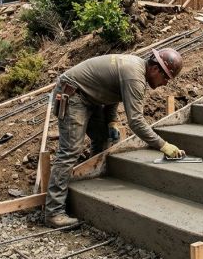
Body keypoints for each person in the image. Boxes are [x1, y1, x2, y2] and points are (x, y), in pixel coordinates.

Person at [44, 49, 185, 227]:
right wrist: (163, 145)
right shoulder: (135, 77)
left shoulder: (134, 69)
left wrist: (111, 121)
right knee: (70, 150)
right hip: (73, 94)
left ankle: (90, 179)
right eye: (165, 78)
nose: (165, 84)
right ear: (156, 69)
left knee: (102, 137)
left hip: (89, 96)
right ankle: (53, 212)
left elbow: (113, 92)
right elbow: (136, 122)